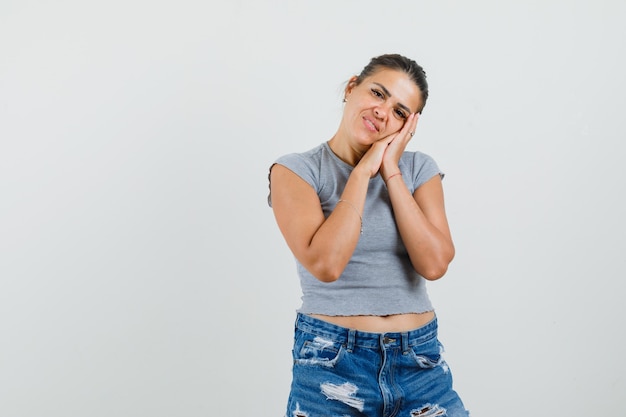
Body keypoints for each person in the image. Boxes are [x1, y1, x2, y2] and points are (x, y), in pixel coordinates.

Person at [268, 53, 469, 417]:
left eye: (400, 112)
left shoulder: (418, 168)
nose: (383, 112)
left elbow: (435, 263)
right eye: (378, 94)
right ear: (351, 88)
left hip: (420, 363)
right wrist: (362, 174)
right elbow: (326, 264)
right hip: (332, 364)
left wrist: (391, 171)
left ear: (409, 127)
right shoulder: (297, 171)